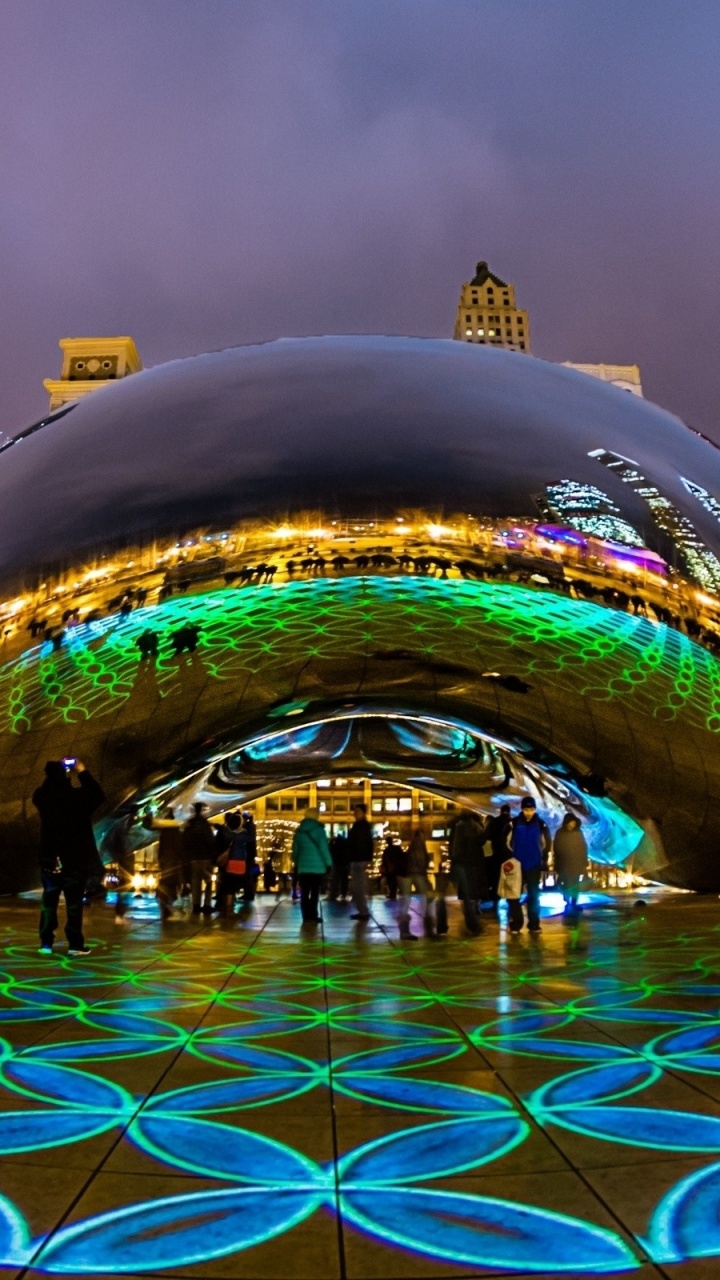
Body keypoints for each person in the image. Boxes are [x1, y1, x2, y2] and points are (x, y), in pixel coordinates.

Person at [32, 759, 105, 956]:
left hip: (50, 859)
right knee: (74, 904)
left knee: (49, 901)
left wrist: (56, 774)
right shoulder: (78, 798)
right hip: (74, 860)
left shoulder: (42, 796)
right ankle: (74, 944)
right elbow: (97, 794)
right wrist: (81, 771)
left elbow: (42, 792)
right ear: (65, 775)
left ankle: (46, 942)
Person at [506, 796, 551, 934]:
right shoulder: (513, 824)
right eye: (526, 809)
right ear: (522, 809)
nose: (528, 812)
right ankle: (516, 923)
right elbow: (505, 841)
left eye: (531, 809)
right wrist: (510, 857)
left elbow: (547, 844)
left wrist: (542, 859)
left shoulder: (541, 824)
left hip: (533, 864)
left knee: (534, 895)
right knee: (514, 895)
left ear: (535, 809)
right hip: (517, 864)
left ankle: (534, 924)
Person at [449, 809, 487, 935]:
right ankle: (473, 924)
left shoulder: (459, 826)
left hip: (462, 863)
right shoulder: (478, 827)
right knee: (471, 892)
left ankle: (472, 925)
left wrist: (454, 861)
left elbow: (455, 847)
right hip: (474, 863)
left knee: (465, 894)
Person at [292, 808, 332, 924]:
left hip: (303, 867)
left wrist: (296, 862)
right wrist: (328, 863)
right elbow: (324, 848)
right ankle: (314, 915)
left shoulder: (299, 831)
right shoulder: (320, 830)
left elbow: (295, 850)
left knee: (304, 892)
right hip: (318, 867)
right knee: (314, 892)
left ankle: (305, 915)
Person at [398, 827, 435, 940]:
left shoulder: (412, 846)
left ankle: (404, 931)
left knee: (406, 900)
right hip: (416, 873)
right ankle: (428, 928)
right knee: (426, 898)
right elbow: (421, 861)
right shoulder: (420, 846)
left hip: (407, 874)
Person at [182, 802, 216, 914]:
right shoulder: (205, 824)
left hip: (194, 858)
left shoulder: (190, 824)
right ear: (201, 810)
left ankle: (196, 905)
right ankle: (207, 905)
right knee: (208, 881)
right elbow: (211, 840)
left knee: (195, 882)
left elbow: (185, 840)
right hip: (205, 857)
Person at [553, 813, 588, 919]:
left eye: (573, 822)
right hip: (564, 864)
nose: (572, 824)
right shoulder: (560, 833)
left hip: (576, 863)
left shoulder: (578, 832)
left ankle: (573, 903)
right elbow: (557, 848)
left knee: (575, 885)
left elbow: (583, 847)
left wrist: (583, 860)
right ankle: (567, 900)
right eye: (571, 822)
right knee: (566, 883)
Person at [153, 807, 184, 919]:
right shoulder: (176, 832)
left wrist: (160, 860)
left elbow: (161, 848)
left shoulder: (164, 833)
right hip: (174, 862)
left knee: (166, 883)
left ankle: (164, 905)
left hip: (165, 861)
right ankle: (167, 906)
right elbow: (179, 847)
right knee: (172, 885)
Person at [215, 812, 247, 916]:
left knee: (227, 885)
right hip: (236, 862)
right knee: (231, 887)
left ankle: (226, 908)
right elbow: (249, 837)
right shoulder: (241, 835)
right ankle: (229, 910)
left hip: (226, 862)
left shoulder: (225, 832)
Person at [484, 804, 512, 917]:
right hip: (509, 856)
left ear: (501, 811)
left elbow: (487, 836)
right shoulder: (512, 822)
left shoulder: (494, 822)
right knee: (510, 880)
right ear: (509, 812)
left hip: (496, 856)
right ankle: (511, 903)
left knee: (496, 880)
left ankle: (496, 903)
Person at [347, 803, 374, 920]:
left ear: (363, 812)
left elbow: (361, 843)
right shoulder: (362, 826)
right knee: (358, 886)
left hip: (359, 859)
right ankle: (362, 910)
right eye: (355, 810)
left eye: (358, 811)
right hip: (358, 858)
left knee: (358, 886)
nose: (355, 813)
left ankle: (363, 911)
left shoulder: (360, 826)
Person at [242, 812, 258, 903]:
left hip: (248, 853)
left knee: (247, 874)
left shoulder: (247, 827)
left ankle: (248, 893)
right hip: (250, 853)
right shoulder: (252, 826)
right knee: (248, 874)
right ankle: (248, 893)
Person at [381, 834, 403, 900]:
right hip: (395, 868)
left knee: (390, 881)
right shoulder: (396, 849)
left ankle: (392, 894)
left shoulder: (386, 850)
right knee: (394, 882)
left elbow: (384, 860)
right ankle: (393, 894)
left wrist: (385, 867)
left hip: (389, 868)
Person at [328, 833, 350, 901]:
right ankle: (344, 893)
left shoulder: (334, 844)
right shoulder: (346, 844)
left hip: (336, 863)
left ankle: (334, 894)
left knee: (335, 879)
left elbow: (330, 850)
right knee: (344, 879)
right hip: (345, 863)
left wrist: (331, 842)